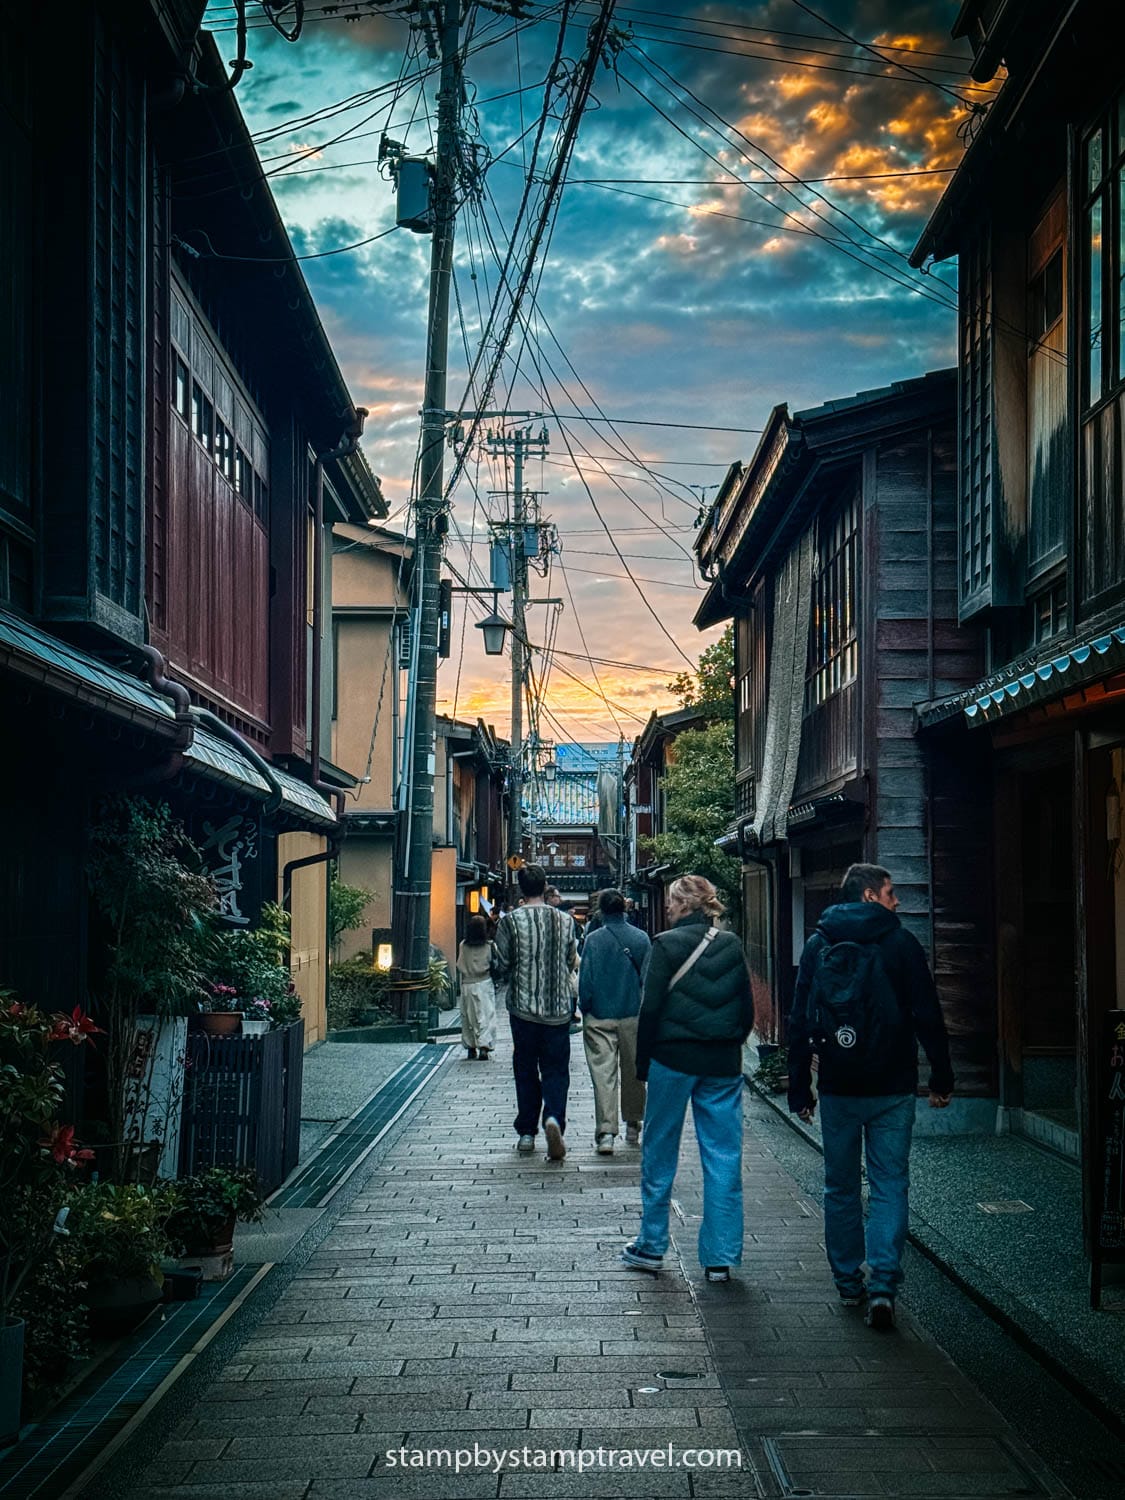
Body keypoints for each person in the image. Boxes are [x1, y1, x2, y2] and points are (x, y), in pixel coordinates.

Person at [787, 863, 954, 1331]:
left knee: (840, 1187)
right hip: (892, 1087)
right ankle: (883, 1284)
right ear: (868, 896)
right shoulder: (900, 944)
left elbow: (799, 1021)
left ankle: (847, 1282)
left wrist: (800, 1087)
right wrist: (941, 1077)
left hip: (839, 1086)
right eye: (890, 892)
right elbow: (927, 1013)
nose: (897, 900)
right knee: (889, 1184)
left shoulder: (819, 944)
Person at [622, 875, 753, 1284]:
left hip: (673, 1059)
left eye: (670, 900)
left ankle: (652, 1245)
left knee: (660, 1152)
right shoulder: (731, 945)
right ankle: (720, 1257)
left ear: (679, 904)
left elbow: (651, 1009)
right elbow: (746, 1009)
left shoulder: (665, 945)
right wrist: (730, 1042)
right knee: (723, 1156)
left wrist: (643, 1066)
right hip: (722, 1064)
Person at [492, 863, 579, 1160]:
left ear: (520, 888)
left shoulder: (511, 922)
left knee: (526, 1067)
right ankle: (554, 1118)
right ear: (544, 887)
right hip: (558, 1007)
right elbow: (571, 960)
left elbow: (501, 963)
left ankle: (527, 1132)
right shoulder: (565, 921)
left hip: (523, 1008)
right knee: (556, 1068)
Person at [578, 889, 651, 1154]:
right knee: (634, 1072)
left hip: (599, 1015)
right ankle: (633, 1123)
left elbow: (585, 980)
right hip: (632, 1013)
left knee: (603, 1075)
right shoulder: (641, 939)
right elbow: (648, 980)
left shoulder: (594, 940)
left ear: (601, 911)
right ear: (624, 909)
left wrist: (584, 1007)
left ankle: (606, 1132)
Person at [456, 915, 497, 1060]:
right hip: (484, 982)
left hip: (467, 983)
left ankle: (470, 1046)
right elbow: (495, 964)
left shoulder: (463, 945)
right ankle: (484, 1046)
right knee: (485, 1015)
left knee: (468, 1016)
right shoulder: (489, 946)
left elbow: (460, 964)